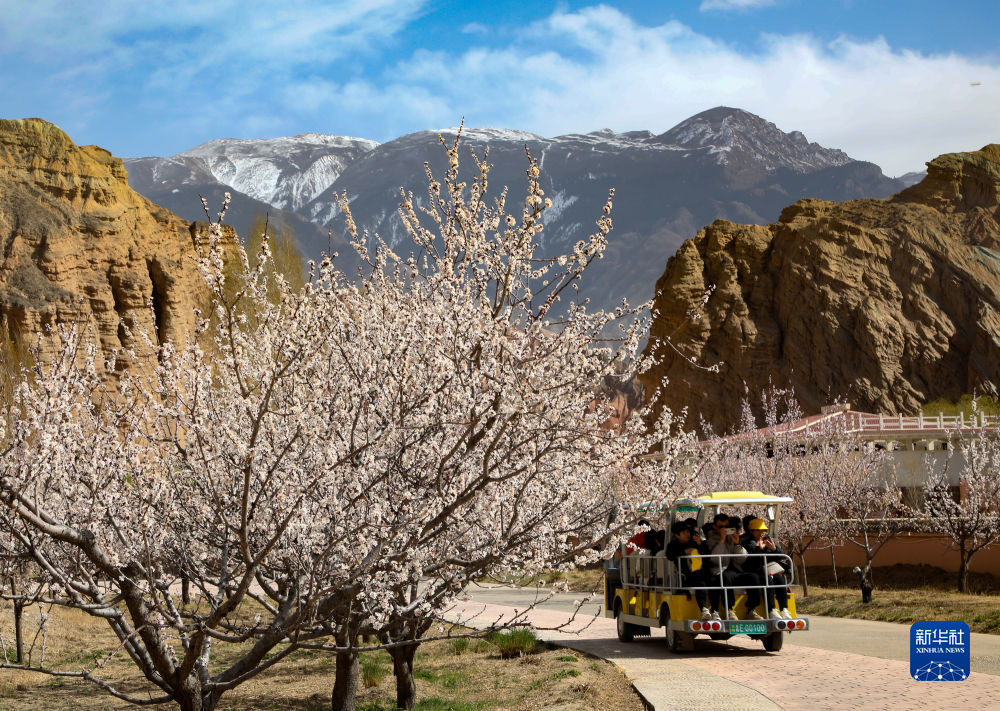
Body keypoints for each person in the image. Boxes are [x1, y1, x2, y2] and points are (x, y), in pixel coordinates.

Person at [711, 517, 762, 620]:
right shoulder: (713, 539)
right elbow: (715, 559)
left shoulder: (739, 539)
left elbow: (742, 559)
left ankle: (751, 609)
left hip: (737, 571)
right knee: (726, 577)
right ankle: (729, 610)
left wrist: (737, 544)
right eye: (722, 527)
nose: (727, 530)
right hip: (721, 571)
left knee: (753, 577)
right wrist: (722, 540)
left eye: (729, 528)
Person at [742, 518, 792, 620]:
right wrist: (759, 548)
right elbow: (752, 560)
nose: (762, 533)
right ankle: (771, 610)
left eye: (764, 530)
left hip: (769, 569)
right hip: (755, 570)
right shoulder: (747, 542)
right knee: (768, 580)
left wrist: (774, 549)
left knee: (780, 579)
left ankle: (784, 609)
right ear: (752, 531)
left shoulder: (768, 539)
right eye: (759, 530)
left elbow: (781, 555)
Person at [666, 521, 711, 620]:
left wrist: (700, 544)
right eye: (684, 533)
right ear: (677, 535)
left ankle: (716, 610)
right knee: (700, 582)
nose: (687, 534)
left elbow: (708, 555)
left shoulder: (695, 542)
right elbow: (670, 555)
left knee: (714, 579)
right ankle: (704, 609)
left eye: (687, 532)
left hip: (702, 572)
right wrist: (684, 552)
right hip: (685, 575)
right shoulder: (673, 545)